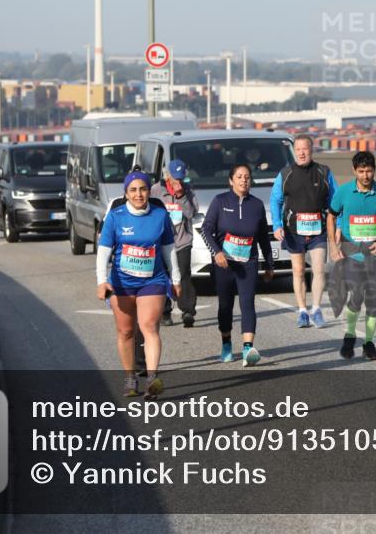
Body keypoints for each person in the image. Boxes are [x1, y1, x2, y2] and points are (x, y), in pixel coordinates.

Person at [96, 169, 181, 398]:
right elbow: (103, 252)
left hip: (152, 281)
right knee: (125, 332)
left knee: (150, 327)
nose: (138, 194)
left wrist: (176, 279)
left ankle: (152, 379)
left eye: (142, 189)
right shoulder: (116, 216)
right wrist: (102, 281)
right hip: (122, 283)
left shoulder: (159, 215)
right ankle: (130, 378)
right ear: (126, 193)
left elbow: (169, 250)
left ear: (148, 191)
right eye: (133, 190)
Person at [200, 163, 274, 367]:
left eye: (247, 177)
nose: (244, 180)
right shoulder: (220, 201)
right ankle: (226, 343)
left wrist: (269, 264)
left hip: (248, 263)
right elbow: (206, 230)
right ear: (231, 180)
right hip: (224, 265)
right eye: (239, 177)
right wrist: (217, 252)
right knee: (225, 307)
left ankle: (248, 348)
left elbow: (263, 237)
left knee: (247, 303)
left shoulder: (257, 205)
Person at [327, 150, 376, 361]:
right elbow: (331, 215)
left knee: (373, 302)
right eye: (361, 171)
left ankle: (368, 343)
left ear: (374, 170)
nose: (365, 176)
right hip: (352, 255)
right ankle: (349, 335)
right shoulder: (344, 192)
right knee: (356, 298)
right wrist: (333, 244)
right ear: (354, 171)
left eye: (369, 171)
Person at [270, 135, 337, 329]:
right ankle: (302, 311)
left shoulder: (324, 172)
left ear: (311, 150)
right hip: (293, 230)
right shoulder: (285, 174)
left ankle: (316, 309)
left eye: (305, 149)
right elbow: (275, 200)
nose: (301, 153)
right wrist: (276, 225)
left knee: (319, 269)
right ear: (294, 151)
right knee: (298, 271)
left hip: (319, 229)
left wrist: (338, 224)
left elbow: (335, 200)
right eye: (298, 149)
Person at [151, 158, 199, 328]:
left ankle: (187, 311)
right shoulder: (156, 190)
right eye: (175, 178)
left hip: (182, 240)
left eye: (181, 178)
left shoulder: (188, 190)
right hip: (162, 241)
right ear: (168, 176)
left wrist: (181, 196)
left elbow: (191, 213)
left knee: (184, 274)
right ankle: (165, 312)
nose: (178, 181)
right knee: (163, 276)